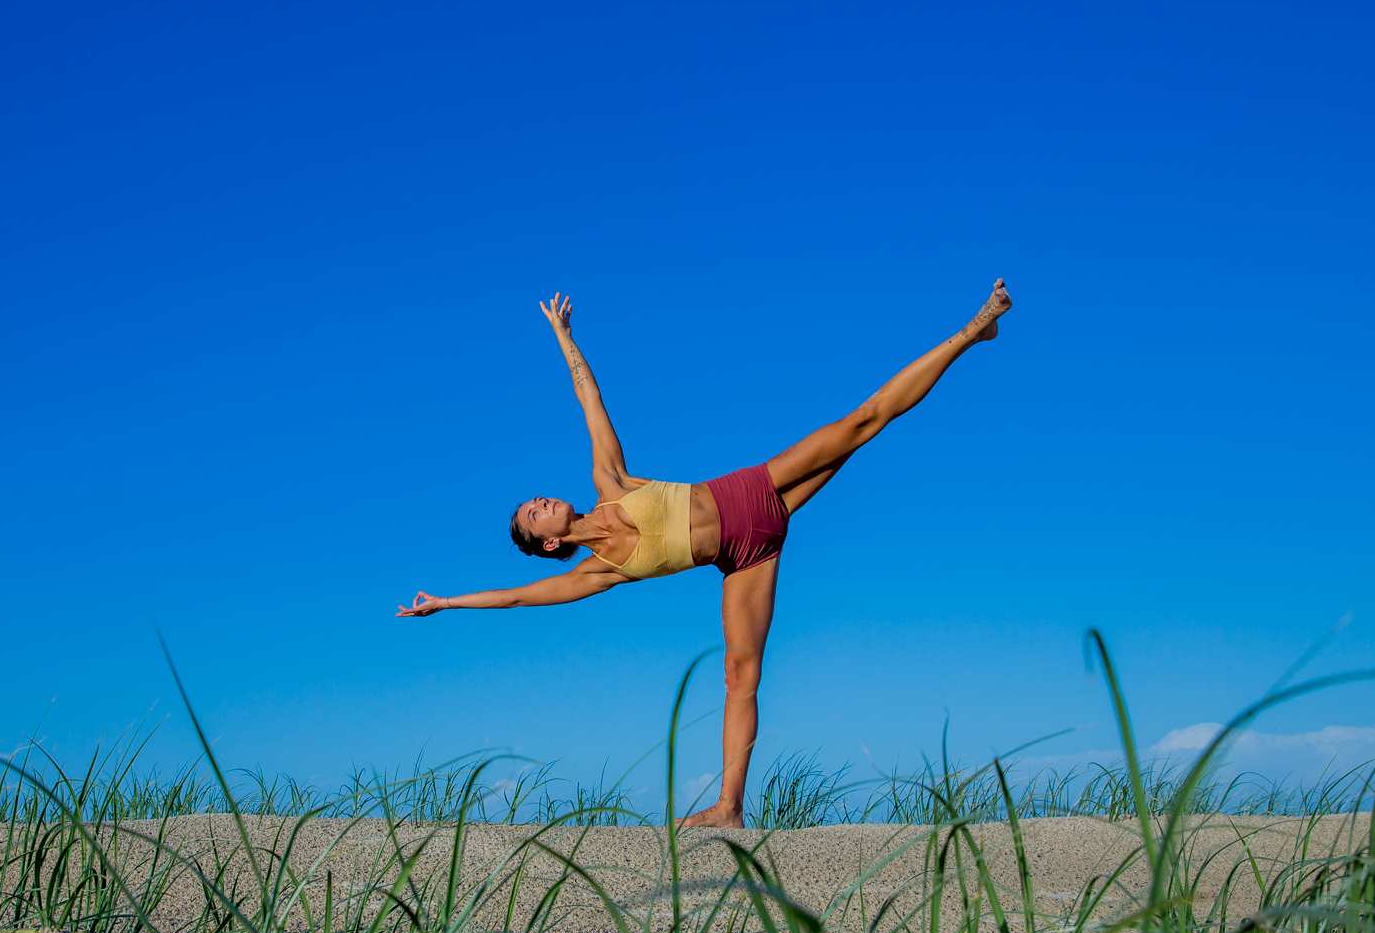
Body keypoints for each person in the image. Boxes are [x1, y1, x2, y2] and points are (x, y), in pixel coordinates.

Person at [397, 280, 1012, 827]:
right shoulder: (596, 573)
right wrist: (447, 603)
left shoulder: (610, 481)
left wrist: (563, 334)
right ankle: (729, 807)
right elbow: (514, 596)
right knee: (740, 677)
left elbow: (589, 399)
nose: (540, 500)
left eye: (535, 500)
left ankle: (970, 331)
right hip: (748, 557)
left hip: (756, 490)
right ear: (549, 542)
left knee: (863, 422)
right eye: (534, 514)